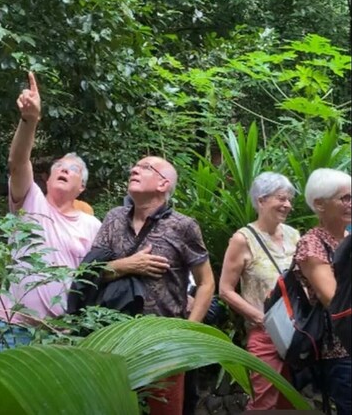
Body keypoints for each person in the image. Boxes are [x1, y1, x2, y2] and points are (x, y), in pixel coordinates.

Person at [89, 156, 215, 415]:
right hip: (113, 339)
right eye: (134, 166)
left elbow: (206, 282)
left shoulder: (183, 226)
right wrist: (128, 265)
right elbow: (89, 273)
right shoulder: (113, 218)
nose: (134, 169)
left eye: (145, 167)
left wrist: (187, 331)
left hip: (164, 343)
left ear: (163, 184)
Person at [0, 72, 101, 349]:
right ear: (47, 180)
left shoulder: (92, 225)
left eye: (73, 169)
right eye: (58, 167)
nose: (65, 169)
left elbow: (98, 275)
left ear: (82, 187)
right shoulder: (32, 201)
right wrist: (30, 120)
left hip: (63, 333)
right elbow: (18, 161)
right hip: (14, 325)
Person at [219, 172, 299, 410]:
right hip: (264, 333)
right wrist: (261, 319)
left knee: (291, 402)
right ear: (261, 200)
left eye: (289, 199)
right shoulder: (243, 239)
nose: (287, 205)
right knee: (263, 403)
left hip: (297, 331)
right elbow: (225, 290)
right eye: (281, 198)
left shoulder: (294, 235)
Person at [293, 168, 351, 415]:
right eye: (345, 198)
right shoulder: (312, 244)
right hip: (340, 349)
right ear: (319, 204)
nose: (351, 203)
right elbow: (333, 299)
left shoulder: (348, 238)